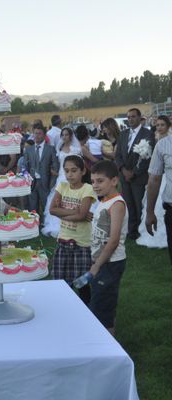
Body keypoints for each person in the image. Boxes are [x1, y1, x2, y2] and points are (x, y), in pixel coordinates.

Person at [74, 160, 128, 335]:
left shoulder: (117, 204)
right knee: (103, 303)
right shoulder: (104, 201)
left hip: (110, 263)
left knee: (101, 307)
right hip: (102, 261)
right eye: (93, 181)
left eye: (100, 181)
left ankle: (109, 350)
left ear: (114, 181)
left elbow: (113, 240)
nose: (95, 185)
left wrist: (96, 266)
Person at [49, 155, 97, 305]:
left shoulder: (88, 189)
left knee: (81, 282)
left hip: (81, 243)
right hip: (63, 240)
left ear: (83, 171)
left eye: (74, 170)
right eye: (67, 171)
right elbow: (52, 210)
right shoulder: (62, 186)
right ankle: (66, 308)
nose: (70, 174)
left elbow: (82, 215)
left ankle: (87, 311)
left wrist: (63, 211)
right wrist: (75, 213)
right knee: (62, 282)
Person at [114, 108, 156, 240]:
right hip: (124, 175)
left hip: (139, 176)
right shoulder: (123, 134)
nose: (130, 119)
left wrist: (134, 172)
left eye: (133, 116)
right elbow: (118, 155)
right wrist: (123, 170)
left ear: (139, 118)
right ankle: (131, 231)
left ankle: (142, 230)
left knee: (139, 204)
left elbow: (147, 157)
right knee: (128, 204)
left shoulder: (147, 134)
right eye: (128, 117)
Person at [42, 127, 83, 237]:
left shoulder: (75, 149)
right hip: (60, 177)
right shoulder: (59, 148)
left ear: (70, 136)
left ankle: (73, 222)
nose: (64, 137)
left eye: (66, 135)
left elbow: (78, 165)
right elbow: (58, 163)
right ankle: (58, 225)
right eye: (63, 135)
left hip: (71, 176)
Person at [141, 115, 172, 255]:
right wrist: (149, 212)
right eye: (157, 124)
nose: (159, 127)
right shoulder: (163, 144)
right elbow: (154, 179)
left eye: (162, 124)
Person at [24, 123, 59, 224]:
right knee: (32, 205)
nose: (37, 136)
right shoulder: (29, 149)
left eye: (39, 133)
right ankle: (33, 224)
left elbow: (55, 166)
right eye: (35, 133)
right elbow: (25, 166)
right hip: (32, 181)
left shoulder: (50, 149)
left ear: (44, 135)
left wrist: (52, 182)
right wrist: (27, 178)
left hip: (45, 181)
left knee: (45, 204)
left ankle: (46, 224)